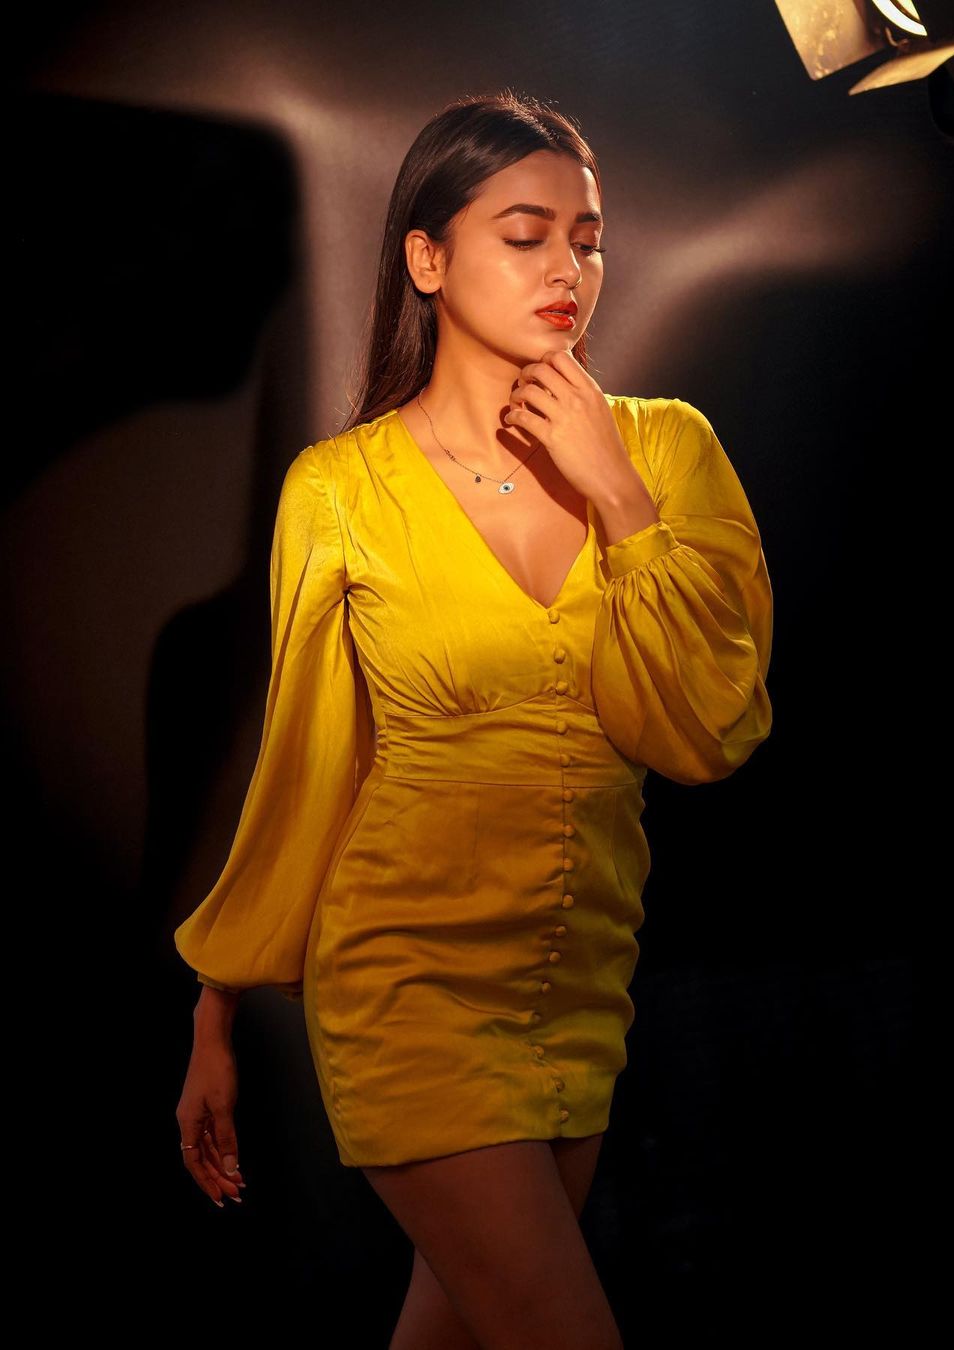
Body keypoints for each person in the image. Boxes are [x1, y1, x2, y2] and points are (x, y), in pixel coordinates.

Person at [174, 89, 773, 1350]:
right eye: (526, 233)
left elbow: (706, 730)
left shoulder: (668, 451)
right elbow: (307, 765)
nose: (568, 268)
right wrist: (214, 1015)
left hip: (581, 978)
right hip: (410, 984)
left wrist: (617, 493)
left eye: (588, 238)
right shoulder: (340, 490)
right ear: (428, 258)